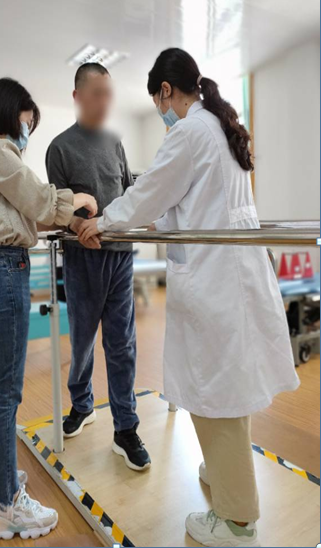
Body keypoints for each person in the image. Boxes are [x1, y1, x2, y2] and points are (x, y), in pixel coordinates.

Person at [78, 48, 300, 547]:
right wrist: (156, 220)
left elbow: (149, 192)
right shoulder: (217, 125)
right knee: (228, 385)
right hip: (232, 270)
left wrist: (104, 222)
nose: (161, 111)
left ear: (165, 91)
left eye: (158, 102)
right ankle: (223, 473)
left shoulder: (190, 132)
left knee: (215, 391)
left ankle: (237, 521)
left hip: (216, 277)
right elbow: (191, 199)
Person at [0, 77, 97, 541]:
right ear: (8, 112)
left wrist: (59, 215)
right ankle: (8, 507)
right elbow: (39, 199)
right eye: (27, 123)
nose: (27, 134)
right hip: (4, 272)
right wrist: (77, 201)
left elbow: (26, 213)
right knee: (5, 393)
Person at [46, 62, 151, 471]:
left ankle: (126, 427)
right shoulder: (60, 148)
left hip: (120, 256)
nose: (105, 102)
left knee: (122, 344)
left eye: (109, 94)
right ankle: (82, 404)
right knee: (83, 341)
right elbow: (57, 209)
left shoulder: (115, 143)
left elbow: (128, 193)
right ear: (77, 97)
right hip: (83, 261)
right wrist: (77, 226)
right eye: (96, 94)